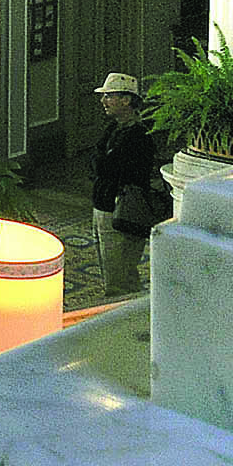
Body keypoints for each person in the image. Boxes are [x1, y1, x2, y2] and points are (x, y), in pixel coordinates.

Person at [90, 72, 168, 300]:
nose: (103, 101)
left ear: (126, 100)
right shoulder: (113, 129)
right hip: (103, 205)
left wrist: (103, 164)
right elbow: (98, 163)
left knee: (118, 275)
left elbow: (109, 168)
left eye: (109, 96)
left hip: (121, 211)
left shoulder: (139, 136)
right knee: (113, 267)